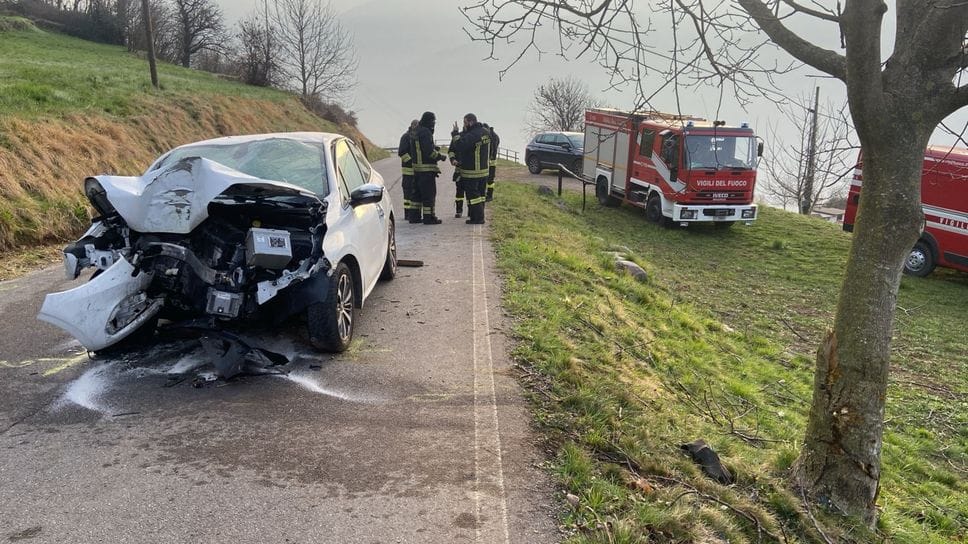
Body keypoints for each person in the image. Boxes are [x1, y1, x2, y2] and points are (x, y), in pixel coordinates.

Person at [450, 113, 491, 225]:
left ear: (470, 122)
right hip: (484, 171)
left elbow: (460, 145)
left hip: (472, 172)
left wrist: (455, 133)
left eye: (465, 122)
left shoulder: (473, 135)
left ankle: (478, 218)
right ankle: (475, 217)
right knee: (481, 196)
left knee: (473, 197)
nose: (464, 125)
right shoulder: (485, 132)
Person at [410, 111, 447, 224]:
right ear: (430, 121)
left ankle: (414, 217)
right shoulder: (426, 132)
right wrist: (440, 156)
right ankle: (429, 218)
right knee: (429, 195)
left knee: (416, 195)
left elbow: (419, 148)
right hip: (426, 170)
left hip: (417, 169)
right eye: (433, 121)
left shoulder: (415, 131)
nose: (434, 123)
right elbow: (429, 152)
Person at [398, 120, 420, 222]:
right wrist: (412, 161)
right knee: (407, 195)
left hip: (417, 172)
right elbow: (402, 153)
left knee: (415, 194)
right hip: (408, 172)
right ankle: (407, 214)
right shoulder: (406, 137)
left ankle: (414, 214)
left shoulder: (418, 136)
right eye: (415, 125)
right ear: (411, 126)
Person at [484, 124, 500, 202]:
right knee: (490, 180)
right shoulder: (495, 136)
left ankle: (488, 195)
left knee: (488, 180)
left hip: (489, 162)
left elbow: (492, 149)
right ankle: (489, 195)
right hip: (492, 162)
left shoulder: (490, 137)